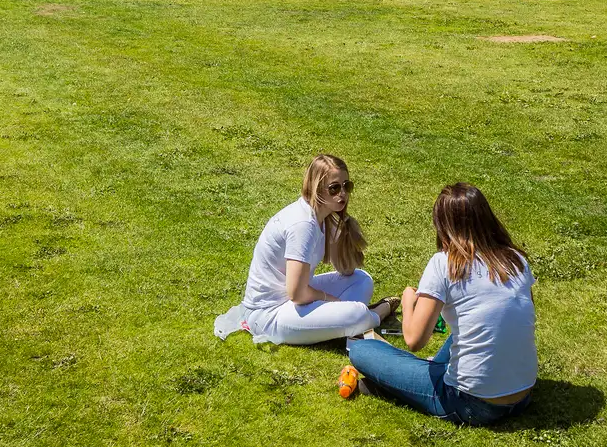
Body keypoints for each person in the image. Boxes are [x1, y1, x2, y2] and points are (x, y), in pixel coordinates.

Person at [342, 183, 536, 426]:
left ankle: (400, 386)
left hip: (471, 403)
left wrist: (408, 300)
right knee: (469, 330)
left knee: (361, 350)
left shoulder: (444, 263)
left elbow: (414, 340)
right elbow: (517, 317)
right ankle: (405, 381)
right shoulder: (514, 258)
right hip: (524, 393)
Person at [213, 154, 395, 346]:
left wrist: (342, 231)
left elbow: (347, 271)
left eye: (346, 186)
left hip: (294, 302)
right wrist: (329, 299)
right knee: (357, 312)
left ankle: (348, 325)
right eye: (334, 188)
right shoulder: (303, 225)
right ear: (317, 189)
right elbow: (297, 294)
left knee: (361, 279)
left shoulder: (323, 217)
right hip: (270, 315)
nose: (342, 193)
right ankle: (376, 314)